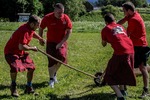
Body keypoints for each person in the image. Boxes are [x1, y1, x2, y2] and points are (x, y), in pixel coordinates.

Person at [4, 15, 45, 97]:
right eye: (37, 25)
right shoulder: (24, 31)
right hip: (11, 52)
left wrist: (40, 38)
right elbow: (21, 46)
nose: (39, 26)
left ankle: (29, 87)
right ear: (32, 24)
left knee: (31, 68)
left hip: (20, 52)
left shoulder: (29, 27)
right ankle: (13, 87)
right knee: (15, 68)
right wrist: (32, 48)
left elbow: (32, 33)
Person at [117, 1, 150, 98]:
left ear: (129, 10)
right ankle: (124, 86)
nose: (123, 12)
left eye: (124, 11)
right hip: (136, 45)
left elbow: (127, 34)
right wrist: (113, 25)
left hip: (140, 47)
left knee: (142, 68)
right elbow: (122, 21)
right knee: (129, 65)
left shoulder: (134, 19)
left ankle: (146, 90)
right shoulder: (132, 15)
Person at [101, 13, 136, 100]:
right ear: (115, 20)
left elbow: (104, 44)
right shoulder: (121, 27)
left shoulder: (105, 29)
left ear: (106, 22)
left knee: (108, 76)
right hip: (131, 50)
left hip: (121, 52)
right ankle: (123, 90)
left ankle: (120, 96)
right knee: (122, 70)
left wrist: (104, 41)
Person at [39, 3, 72, 88]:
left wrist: (61, 43)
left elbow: (69, 31)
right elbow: (41, 28)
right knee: (51, 61)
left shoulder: (65, 18)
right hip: (50, 42)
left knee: (61, 58)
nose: (61, 14)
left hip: (62, 42)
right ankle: (51, 79)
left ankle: (54, 74)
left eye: (62, 12)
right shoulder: (47, 18)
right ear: (54, 11)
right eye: (59, 13)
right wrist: (40, 38)